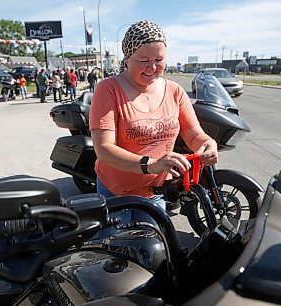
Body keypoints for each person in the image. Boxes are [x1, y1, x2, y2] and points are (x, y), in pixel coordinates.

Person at [89, 20, 218, 217]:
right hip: (115, 193)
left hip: (154, 193)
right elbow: (104, 150)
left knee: (156, 245)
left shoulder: (175, 91)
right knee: (119, 245)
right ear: (127, 58)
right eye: (143, 61)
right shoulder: (108, 89)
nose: (152, 67)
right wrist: (150, 165)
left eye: (159, 60)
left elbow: (194, 134)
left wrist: (208, 144)